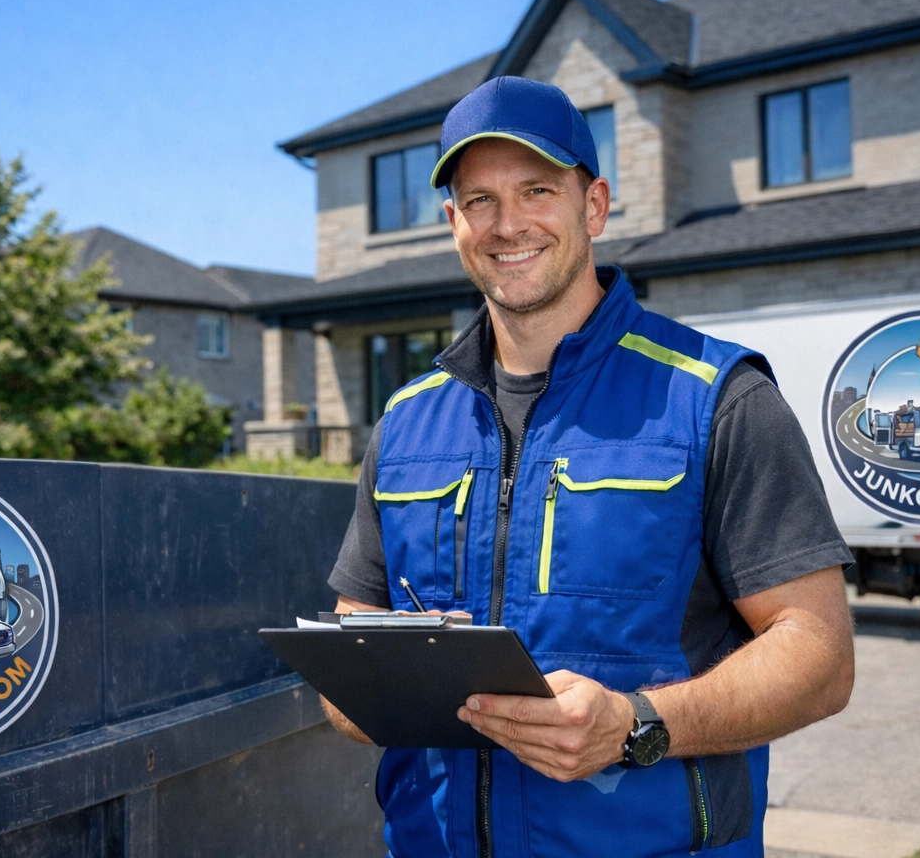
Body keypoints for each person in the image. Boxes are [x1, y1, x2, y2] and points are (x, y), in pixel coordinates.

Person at [323, 76, 855, 857]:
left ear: (593, 205)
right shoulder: (407, 422)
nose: (508, 224)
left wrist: (637, 725)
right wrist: (379, 682)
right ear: (453, 222)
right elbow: (352, 647)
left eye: (537, 189)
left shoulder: (716, 400)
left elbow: (819, 656)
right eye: (479, 200)